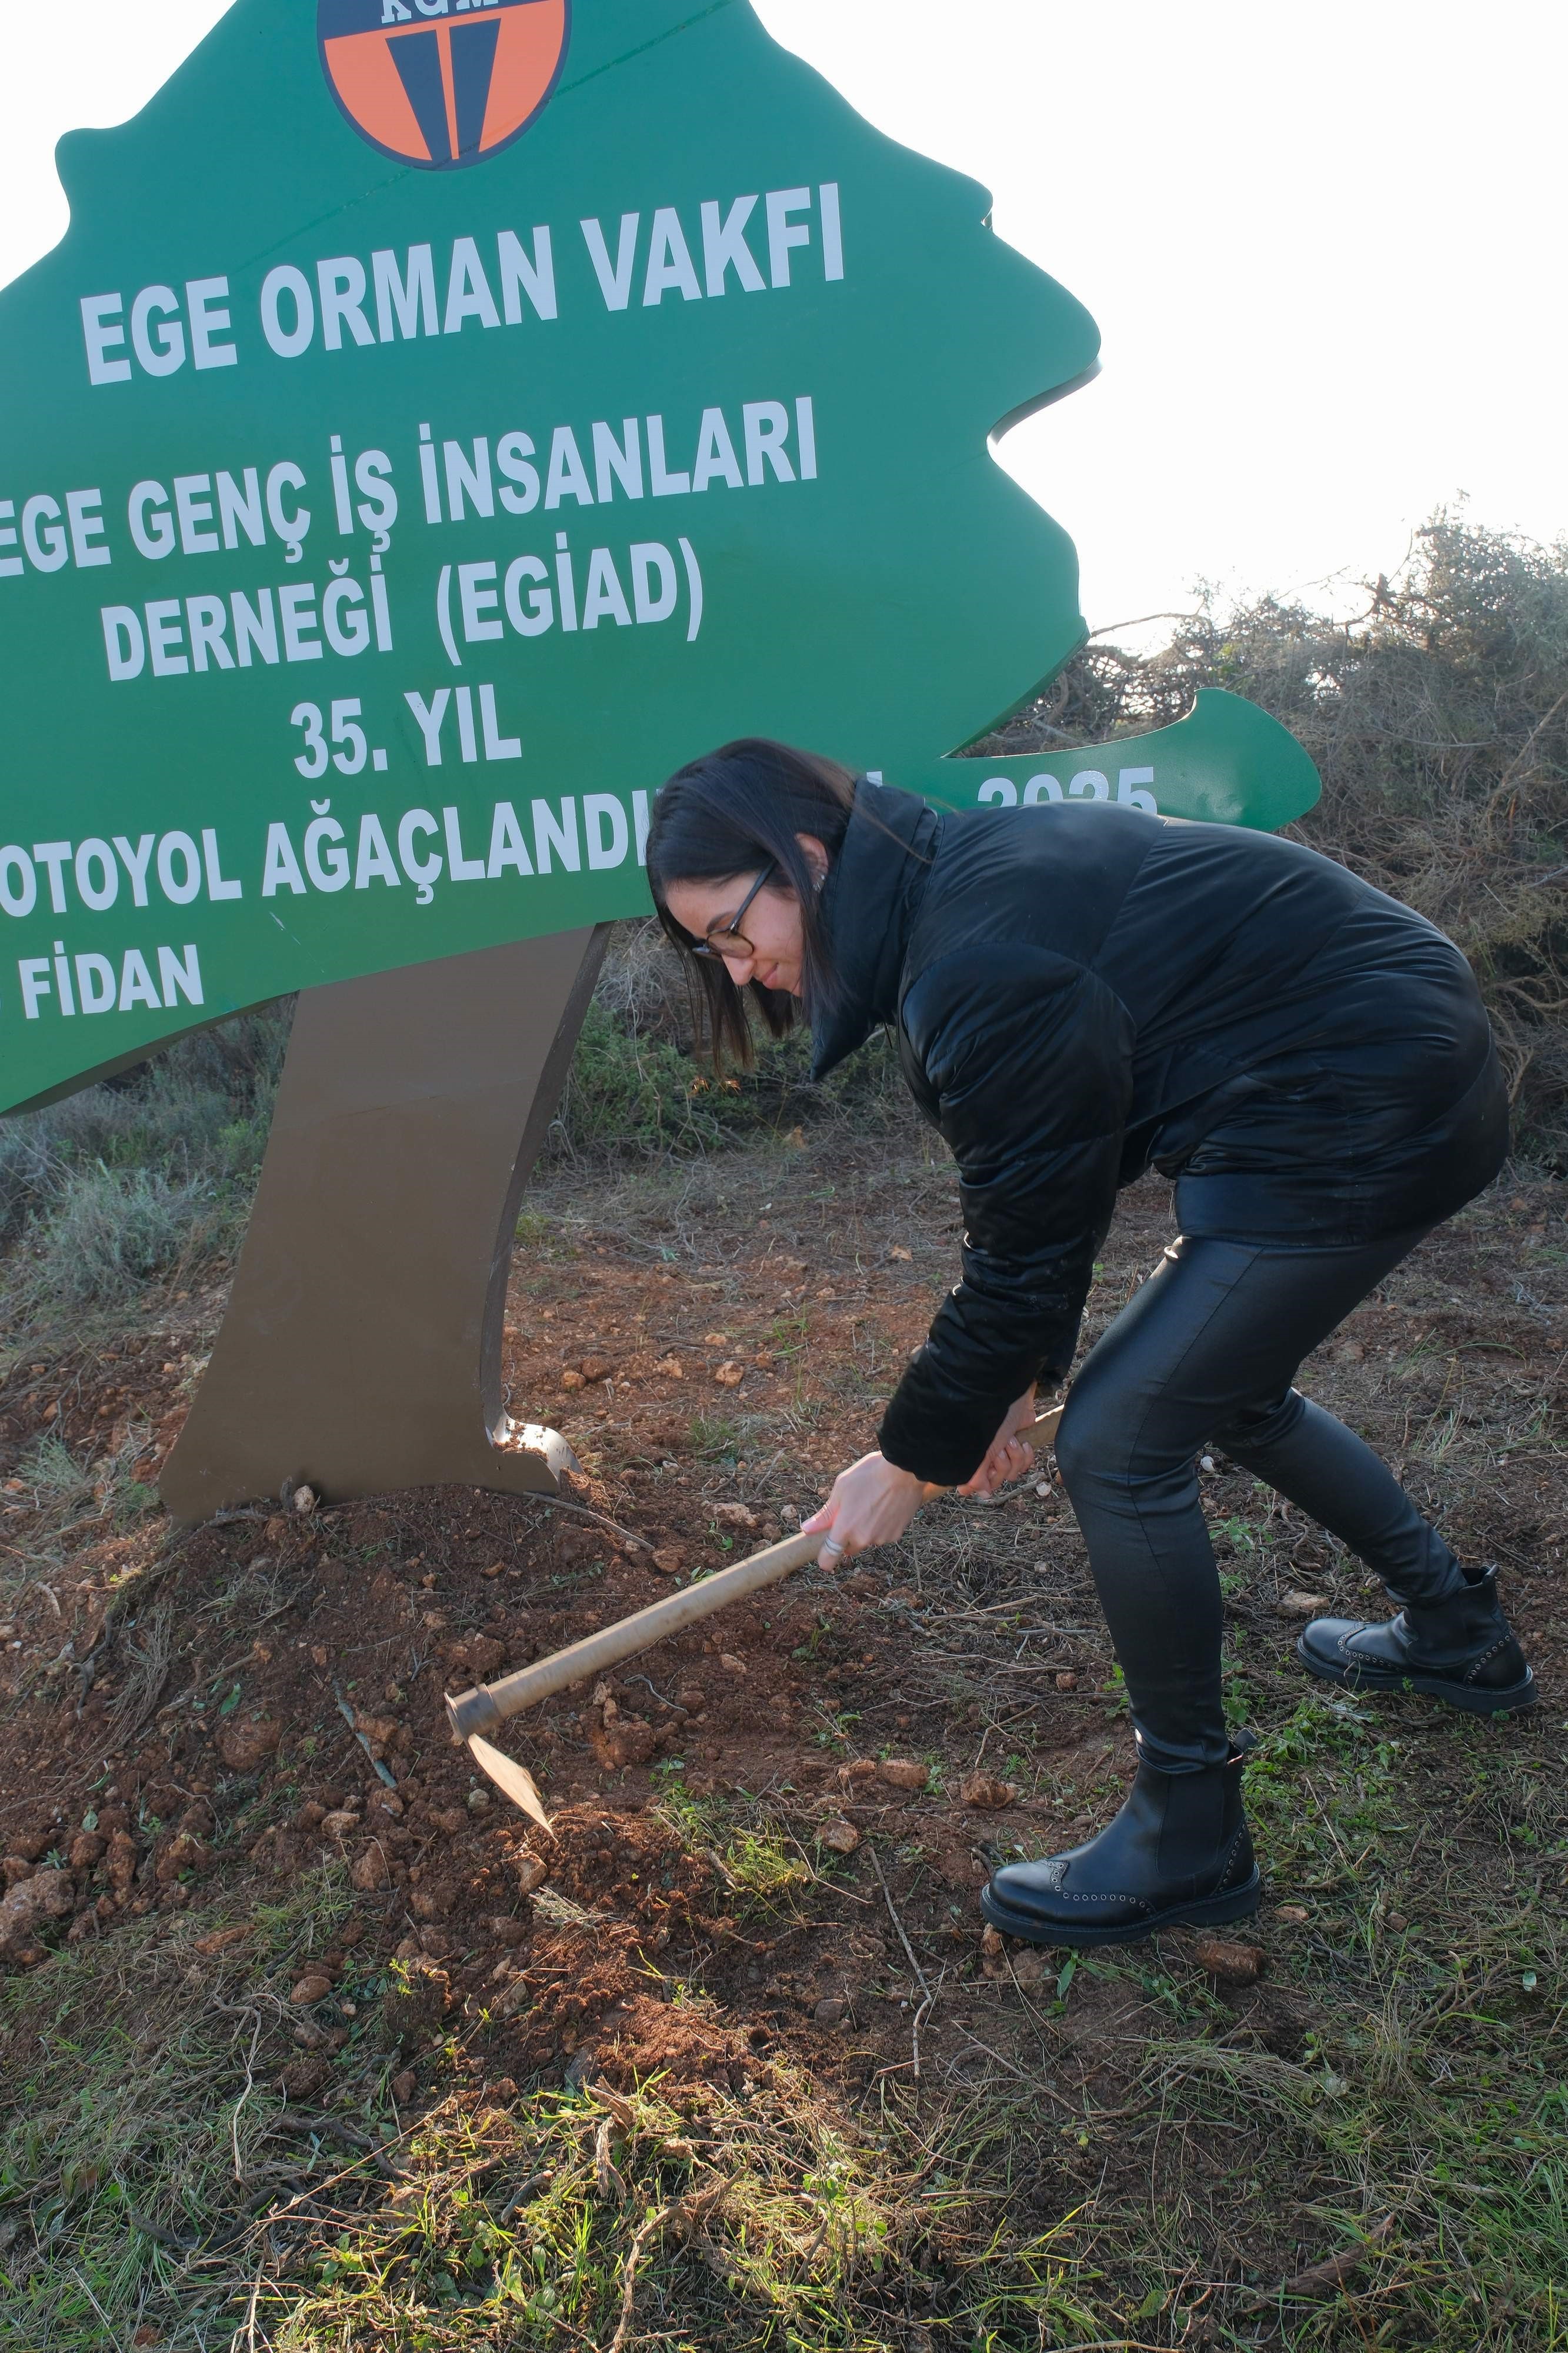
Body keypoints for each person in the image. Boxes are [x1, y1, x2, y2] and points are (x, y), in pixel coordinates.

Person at [647, 738, 1535, 1949]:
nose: (743, 971)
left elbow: (1023, 1245)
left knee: (1120, 1438)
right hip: (1364, 1060)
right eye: (713, 954)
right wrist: (1002, 1385)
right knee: (1216, 1385)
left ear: (803, 856)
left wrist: (907, 1457)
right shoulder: (954, 883)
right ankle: (1456, 1632)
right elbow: (1054, 1176)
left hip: (1356, 1094)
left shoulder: (973, 958)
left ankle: (1188, 1832)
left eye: (734, 930)